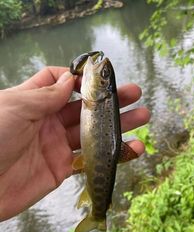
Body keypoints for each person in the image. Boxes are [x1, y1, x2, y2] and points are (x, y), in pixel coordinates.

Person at [0, 66, 150, 222]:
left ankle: (97, 217)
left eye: (103, 75)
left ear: (104, 92)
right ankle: (98, 216)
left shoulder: (98, 101)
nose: (98, 66)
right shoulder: (96, 100)